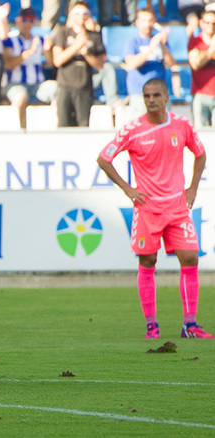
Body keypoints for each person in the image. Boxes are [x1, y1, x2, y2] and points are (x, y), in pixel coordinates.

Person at [97, 78, 213, 340]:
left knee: (191, 257)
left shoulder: (181, 125)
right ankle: (152, 324)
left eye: (156, 95)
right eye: (147, 95)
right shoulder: (133, 130)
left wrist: (192, 187)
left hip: (176, 205)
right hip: (147, 208)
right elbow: (104, 158)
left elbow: (201, 153)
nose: (151, 100)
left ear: (166, 96)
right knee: (148, 262)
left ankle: (190, 325)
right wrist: (128, 189)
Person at [52, 1, 106, 127]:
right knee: (63, 126)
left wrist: (87, 54)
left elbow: (100, 64)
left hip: (84, 88)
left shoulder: (95, 36)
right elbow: (57, 60)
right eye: (77, 13)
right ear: (71, 14)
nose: (81, 16)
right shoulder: (63, 32)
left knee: (83, 126)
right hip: (65, 86)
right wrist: (77, 45)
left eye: (85, 13)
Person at [2, 8, 57, 128]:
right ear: (17, 21)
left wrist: (48, 51)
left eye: (31, 21)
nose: (27, 24)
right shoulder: (10, 40)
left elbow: (52, 62)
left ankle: (53, 128)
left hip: (37, 84)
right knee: (20, 97)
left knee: (60, 90)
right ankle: (18, 130)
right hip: (15, 83)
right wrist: (29, 52)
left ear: (35, 22)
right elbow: (9, 64)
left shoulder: (39, 40)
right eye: (24, 20)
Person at [123, 8, 175, 117]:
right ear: (137, 22)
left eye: (150, 20)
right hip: (139, 94)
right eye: (144, 21)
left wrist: (162, 45)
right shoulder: (132, 41)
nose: (147, 24)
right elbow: (131, 64)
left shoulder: (159, 40)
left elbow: (171, 63)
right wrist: (151, 48)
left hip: (160, 93)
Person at [188, 9, 215, 127]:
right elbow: (195, 64)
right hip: (201, 95)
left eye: (214, 23)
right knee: (201, 134)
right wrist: (211, 50)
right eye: (207, 23)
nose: (211, 26)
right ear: (201, 23)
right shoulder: (195, 42)